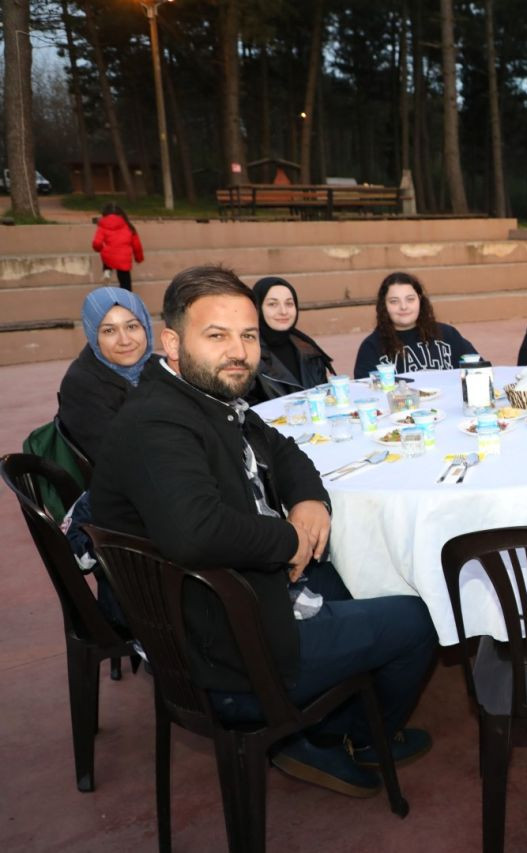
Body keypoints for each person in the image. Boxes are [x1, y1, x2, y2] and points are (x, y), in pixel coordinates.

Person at [92, 265, 438, 798]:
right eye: (217, 335)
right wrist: (291, 541)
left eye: (248, 336)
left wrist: (308, 502)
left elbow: (282, 448)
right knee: (419, 616)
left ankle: (313, 732)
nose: (238, 351)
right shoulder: (157, 423)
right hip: (228, 650)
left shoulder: (206, 397)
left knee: (360, 576)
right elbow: (196, 532)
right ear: (172, 342)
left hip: (233, 604)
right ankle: (362, 740)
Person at [57, 286, 154, 463]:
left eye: (132, 326)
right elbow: (118, 458)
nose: (125, 341)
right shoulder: (81, 385)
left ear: (145, 327)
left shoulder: (160, 367)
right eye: (109, 331)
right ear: (93, 336)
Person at [353, 271, 477, 376]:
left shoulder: (448, 335)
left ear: (420, 300)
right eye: (394, 301)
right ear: (384, 306)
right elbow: (365, 391)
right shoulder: (371, 347)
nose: (403, 307)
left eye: (410, 299)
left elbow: (479, 370)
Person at [250, 276, 334, 402]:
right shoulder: (248, 354)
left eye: (289, 303)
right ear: (257, 308)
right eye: (273, 304)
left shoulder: (308, 349)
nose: (283, 311)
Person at [91, 203, 144, 292]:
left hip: (109, 255)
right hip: (124, 258)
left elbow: (97, 243)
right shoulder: (128, 226)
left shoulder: (102, 225)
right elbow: (137, 245)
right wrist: (139, 258)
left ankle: (107, 271)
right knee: (125, 280)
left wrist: (99, 249)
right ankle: (127, 294)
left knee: (107, 258)